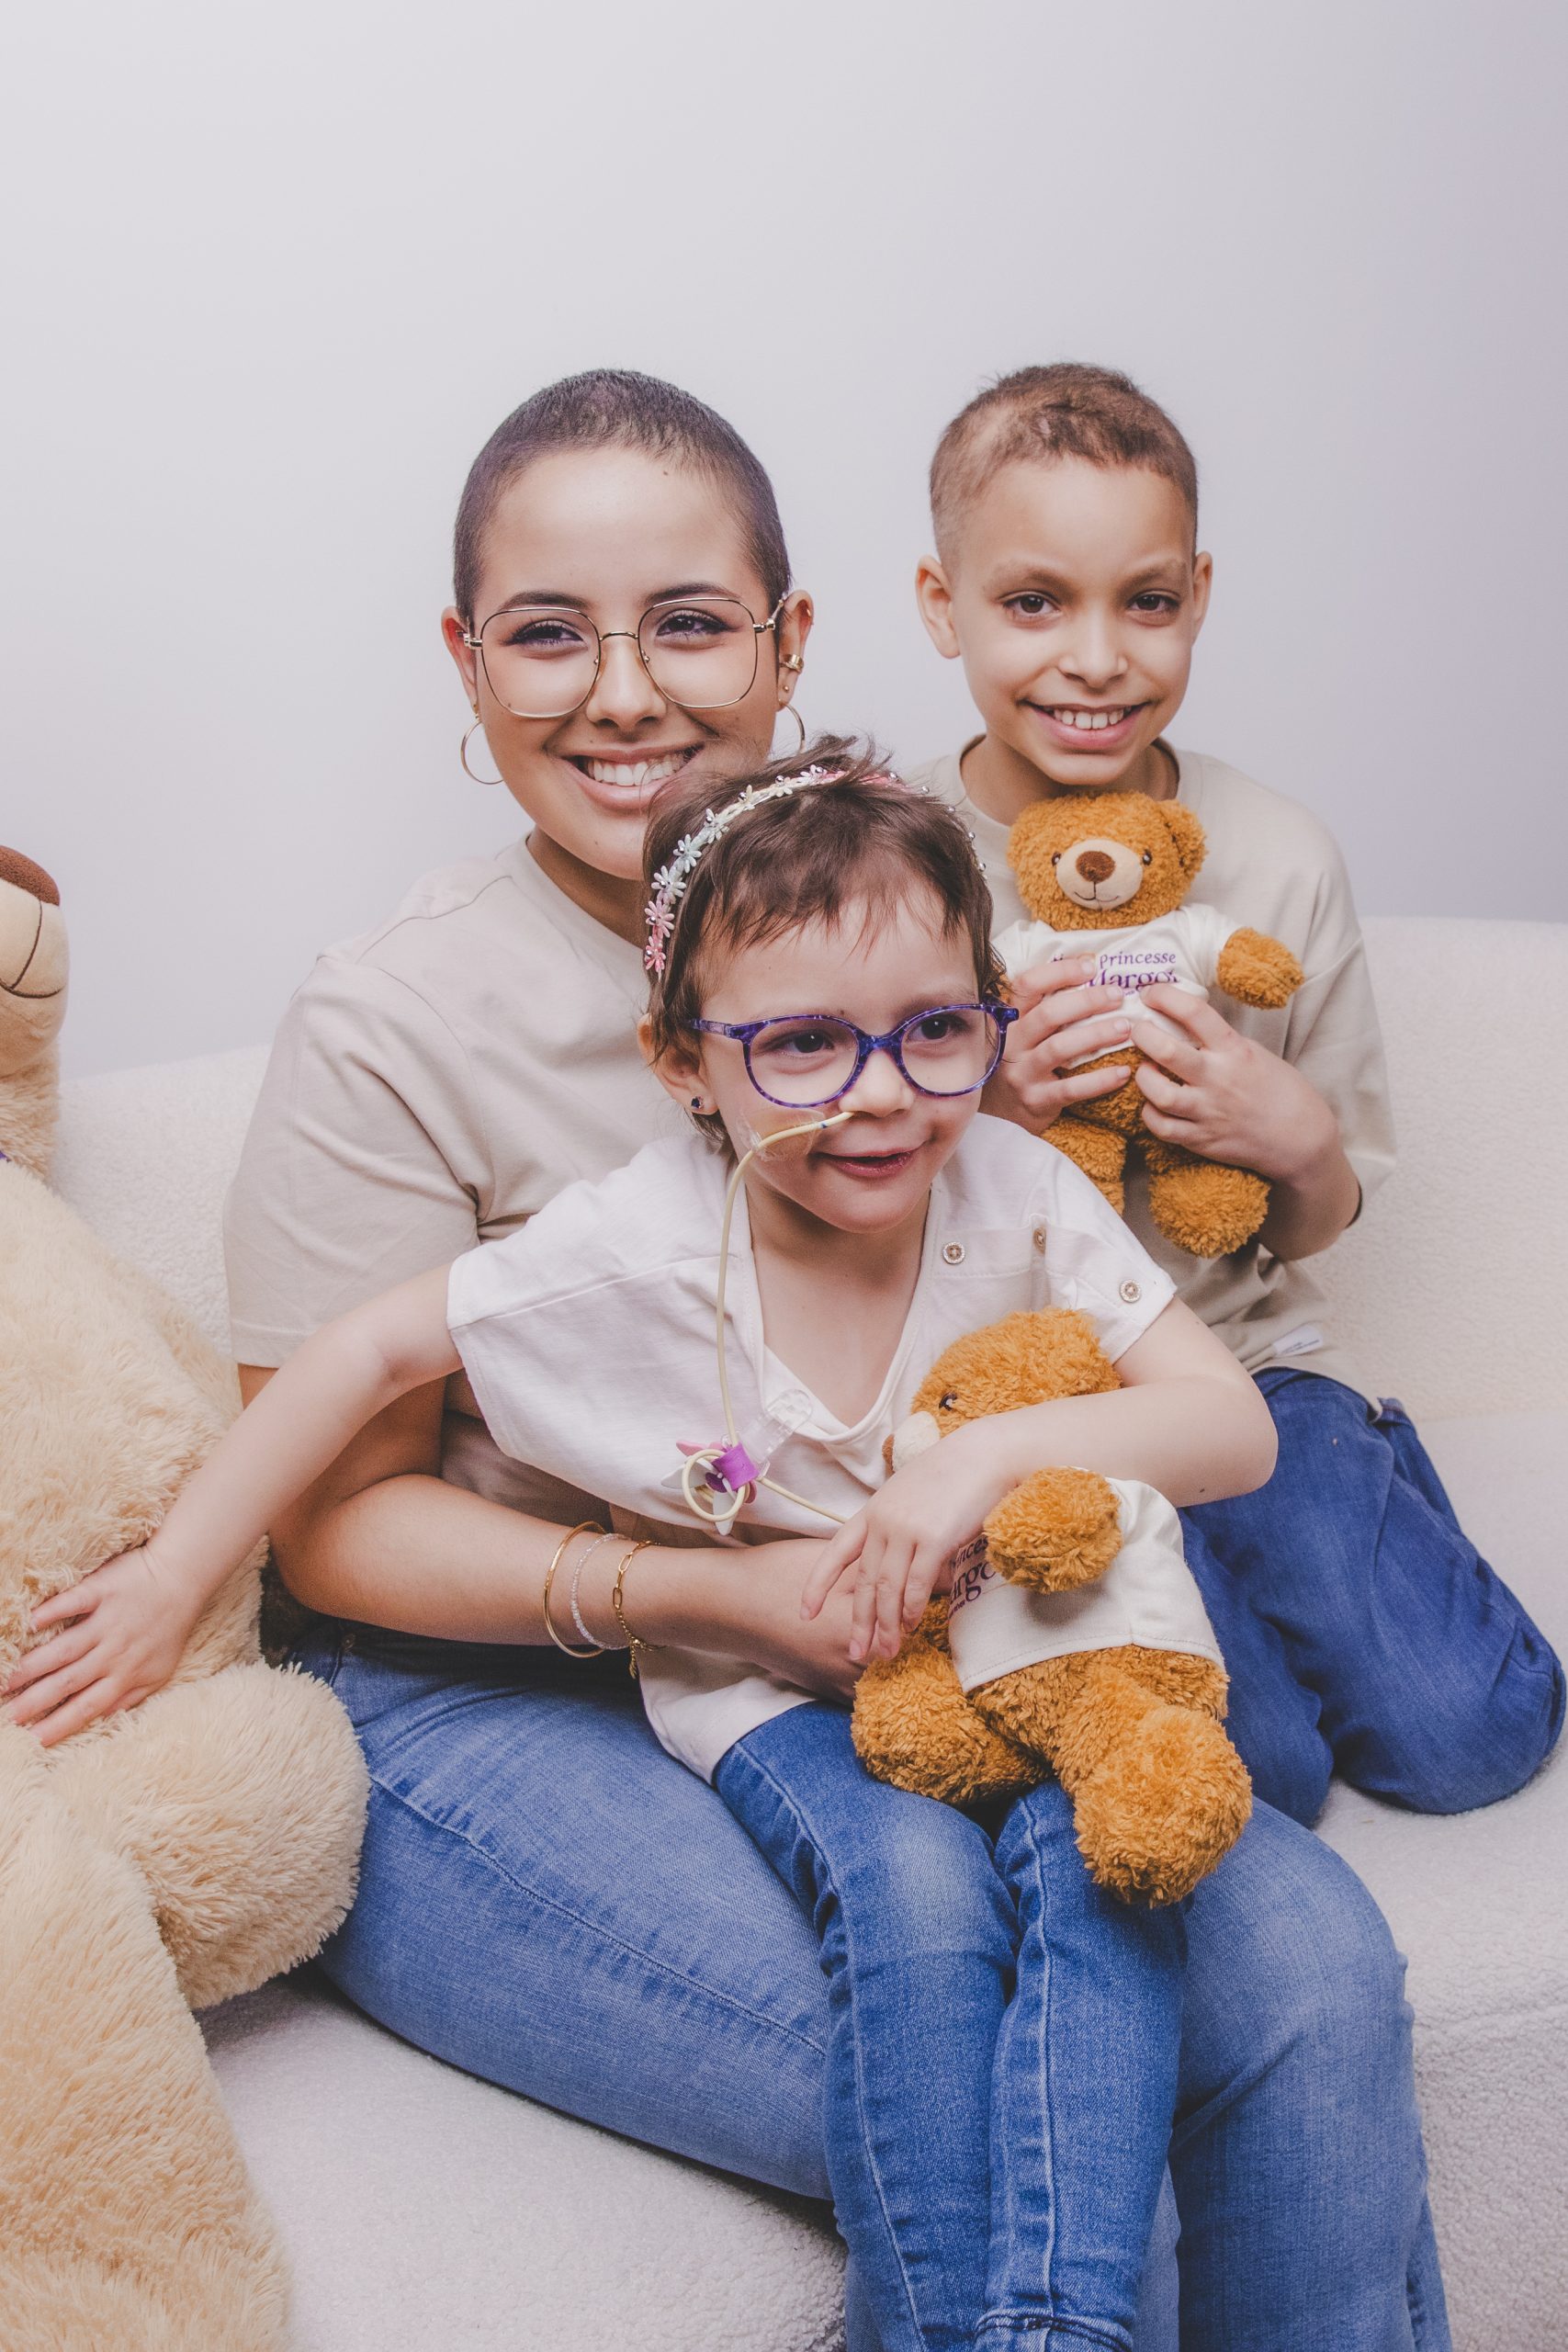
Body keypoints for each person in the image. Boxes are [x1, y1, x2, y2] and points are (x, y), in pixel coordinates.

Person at [4, 371, 1450, 2348]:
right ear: (464, 655)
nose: (622, 690)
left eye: (688, 622)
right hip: (506, 1692)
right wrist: (705, 1593)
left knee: (1307, 1969)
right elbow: (336, 1515)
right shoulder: (394, 1015)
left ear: (788, 641)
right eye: (546, 632)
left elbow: (1122, 1313)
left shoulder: (908, 946)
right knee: (1009, 2088)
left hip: (905, 1641)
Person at [912, 361, 1564, 1827]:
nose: (1096, 658)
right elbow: (830, 1204)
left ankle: (1365, 1487)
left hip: (1248, 1364)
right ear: (941, 604)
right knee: (1263, 1777)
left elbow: (1321, 1216)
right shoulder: (888, 858)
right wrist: (992, 1120)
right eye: (1033, 603)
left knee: (1473, 1739)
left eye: (1144, 601)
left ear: (1198, 595)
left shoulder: (1273, 856)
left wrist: (1300, 1140)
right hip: (1036, 1402)